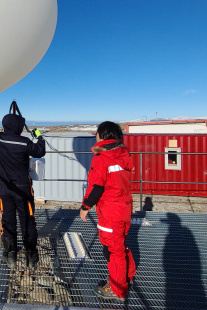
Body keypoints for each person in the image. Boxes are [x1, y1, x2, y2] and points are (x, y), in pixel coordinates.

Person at [0, 107, 46, 269]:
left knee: (7, 220)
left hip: (4, 186)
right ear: (17, 127)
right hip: (23, 187)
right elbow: (40, 151)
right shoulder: (24, 142)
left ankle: (11, 256)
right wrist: (39, 137)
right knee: (28, 220)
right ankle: (31, 257)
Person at [79, 121, 136, 302]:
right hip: (124, 208)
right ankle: (127, 277)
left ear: (102, 136)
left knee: (113, 250)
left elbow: (96, 187)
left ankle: (117, 289)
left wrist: (85, 207)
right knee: (120, 246)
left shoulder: (101, 159)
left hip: (110, 212)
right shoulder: (123, 155)